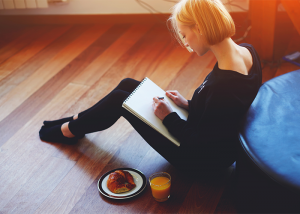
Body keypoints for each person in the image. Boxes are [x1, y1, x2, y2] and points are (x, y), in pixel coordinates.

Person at [39, 0, 262, 173]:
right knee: (127, 85)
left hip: (198, 160)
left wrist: (169, 117)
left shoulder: (224, 84)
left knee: (121, 100)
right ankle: (78, 121)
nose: (185, 43)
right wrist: (188, 104)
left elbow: (199, 143)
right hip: (211, 140)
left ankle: (69, 129)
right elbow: (224, 113)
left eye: (185, 35)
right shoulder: (247, 52)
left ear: (200, 28)